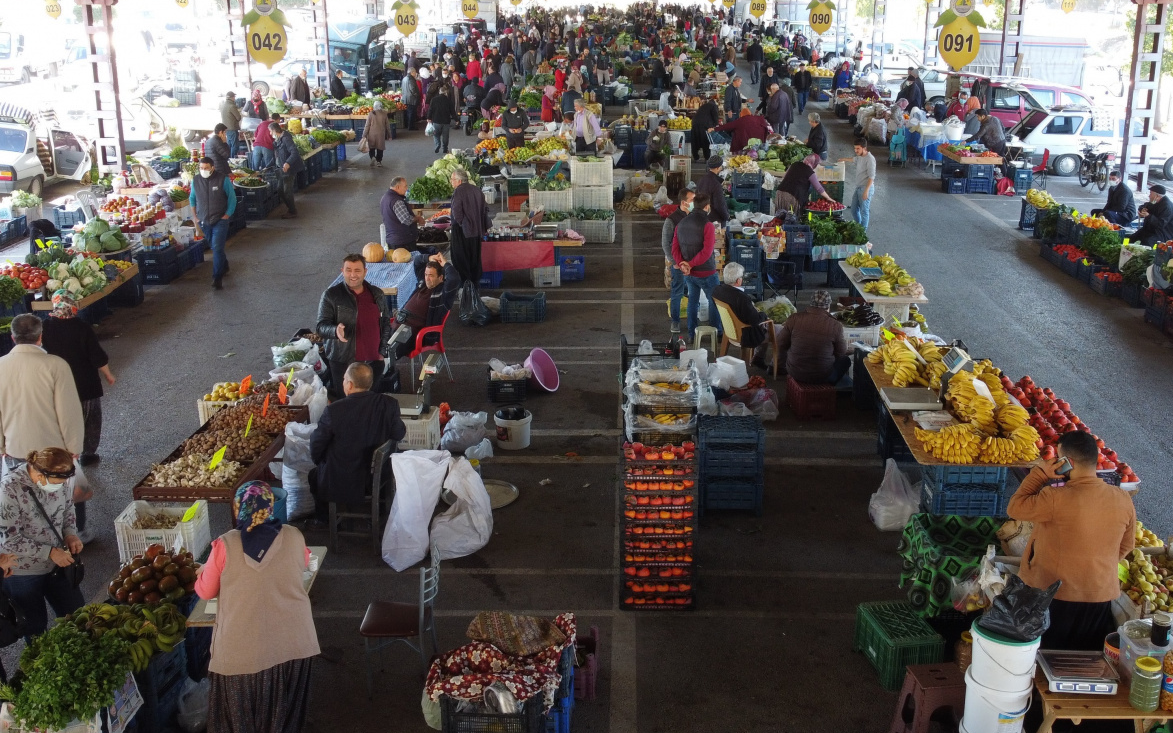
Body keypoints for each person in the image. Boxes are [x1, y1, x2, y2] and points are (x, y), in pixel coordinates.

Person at [196, 481, 319, 733]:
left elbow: (206, 591)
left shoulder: (225, 544)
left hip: (241, 654)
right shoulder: (294, 536)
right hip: (294, 646)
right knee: (284, 720)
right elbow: (305, 561)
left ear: (238, 509)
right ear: (270, 507)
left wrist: (200, 574)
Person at [1007, 430, 1136, 651]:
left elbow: (1014, 507)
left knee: (1050, 658)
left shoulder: (1055, 497)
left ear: (1068, 462)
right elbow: (1127, 546)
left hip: (1055, 595)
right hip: (1100, 595)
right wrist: (1097, 565)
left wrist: (1041, 473)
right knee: (1085, 661)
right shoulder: (1123, 499)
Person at [0, 447, 81, 638]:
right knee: (35, 628)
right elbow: (9, 538)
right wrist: (50, 552)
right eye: (56, 483)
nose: (60, 487)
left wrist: (70, 534)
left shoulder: (63, 479)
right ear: (39, 474)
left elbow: (69, 507)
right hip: (23, 571)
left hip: (58, 565)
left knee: (76, 616)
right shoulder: (9, 489)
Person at [308, 363, 406, 521]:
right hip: (380, 475)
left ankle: (324, 520)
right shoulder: (389, 404)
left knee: (314, 476)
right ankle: (379, 511)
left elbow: (316, 445)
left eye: (344, 379)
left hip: (344, 478)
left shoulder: (334, 411)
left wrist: (319, 461)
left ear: (350, 384)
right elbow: (399, 433)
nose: (343, 382)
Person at [41, 290, 115, 472]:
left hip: (58, 386)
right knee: (90, 419)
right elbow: (97, 356)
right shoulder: (82, 327)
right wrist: (108, 374)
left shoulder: (45, 327)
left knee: (64, 420)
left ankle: (65, 452)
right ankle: (88, 453)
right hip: (85, 385)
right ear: (74, 307)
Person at [316, 255, 393, 399]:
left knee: (370, 401)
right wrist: (335, 330)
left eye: (357, 270)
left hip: (373, 361)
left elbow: (385, 323)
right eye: (348, 270)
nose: (353, 275)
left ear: (365, 271)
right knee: (345, 402)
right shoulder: (331, 295)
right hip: (343, 362)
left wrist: (381, 352)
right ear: (342, 271)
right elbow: (321, 326)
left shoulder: (377, 294)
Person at [389, 255, 460, 360]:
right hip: (398, 324)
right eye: (426, 274)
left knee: (388, 352)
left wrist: (445, 263)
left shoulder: (443, 293)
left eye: (431, 275)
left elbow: (454, 278)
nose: (427, 278)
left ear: (441, 278)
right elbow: (417, 262)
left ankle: (384, 373)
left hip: (411, 332)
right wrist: (429, 258)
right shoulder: (423, 283)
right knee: (372, 344)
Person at [672, 193, 721, 341]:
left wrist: (683, 264)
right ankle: (716, 332)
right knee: (714, 301)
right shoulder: (708, 225)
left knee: (692, 301)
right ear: (707, 207)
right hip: (706, 272)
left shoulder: (681, 224)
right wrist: (690, 264)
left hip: (689, 274)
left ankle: (692, 335)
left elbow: (675, 248)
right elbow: (706, 252)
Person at [776, 290, 849, 384]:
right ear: (828, 306)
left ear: (810, 303)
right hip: (822, 376)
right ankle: (831, 388)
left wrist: (781, 365)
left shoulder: (794, 318)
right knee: (846, 360)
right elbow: (841, 353)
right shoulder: (836, 325)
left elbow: (781, 343)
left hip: (794, 372)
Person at [712, 262, 773, 369]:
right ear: (738, 281)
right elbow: (754, 320)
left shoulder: (717, 290)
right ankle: (761, 359)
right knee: (773, 328)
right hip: (745, 334)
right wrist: (763, 315)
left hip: (729, 328)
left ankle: (757, 358)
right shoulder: (742, 298)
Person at [190, 156, 237, 290]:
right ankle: (224, 264)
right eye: (201, 168)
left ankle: (217, 277)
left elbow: (232, 198)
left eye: (206, 168)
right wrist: (195, 217)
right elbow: (192, 199)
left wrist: (227, 215)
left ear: (212, 168)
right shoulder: (196, 180)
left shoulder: (223, 179)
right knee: (216, 247)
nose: (203, 170)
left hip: (220, 220)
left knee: (216, 247)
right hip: (204, 221)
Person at [449, 168, 491, 285]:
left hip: (462, 231)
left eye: (452, 179)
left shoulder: (458, 191)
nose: (451, 182)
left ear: (459, 181)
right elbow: (485, 209)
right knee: (474, 259)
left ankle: (465, 288)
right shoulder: (477, 190)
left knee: (461, 259)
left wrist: (463, 224)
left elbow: (456, 212)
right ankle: (474, 286)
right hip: (476, 231)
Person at [662, 189, 695, 334]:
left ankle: (692, 322)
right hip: (679, 264)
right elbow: (665, 243)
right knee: (677, 292)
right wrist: (675, 261)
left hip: (693, 264)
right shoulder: (672, 220)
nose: (695, 202)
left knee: (693, 293)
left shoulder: (694, 216)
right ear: (684, 202)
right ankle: (675, 322)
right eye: (692, 200)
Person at [381, 176, 426, 251]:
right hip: (402, 242)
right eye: (405, 186)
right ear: (398, 187)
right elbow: (406, 219)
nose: (406, 189)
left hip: (393, 240)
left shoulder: (385, 197)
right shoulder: (397, 201)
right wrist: (418, 218)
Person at [840, 138, 876, 230]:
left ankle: (862, 232)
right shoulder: (860, 156)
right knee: (853, 209)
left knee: (864, 211)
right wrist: (843, 159)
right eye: (855, 148)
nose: (855, 151)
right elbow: (853, 159)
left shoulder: (870, 159)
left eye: (858, 149)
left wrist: (866, 191)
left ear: (864, 148)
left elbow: (871, 177)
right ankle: (858, 226)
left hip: (865, 188)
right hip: (859, 187)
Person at [271, 123, 304, 219]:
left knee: (287, 191)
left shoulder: (286, 139)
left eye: (270, 131)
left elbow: (294, 152)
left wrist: (288, 163)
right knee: (280, 190)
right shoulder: (278, 140)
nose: (270, 134)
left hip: (289, 169)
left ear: (274, 131)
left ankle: (293, 211)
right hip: (281, 169)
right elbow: (277, 155)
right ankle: (290, 209)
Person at [695, 156, 729, 225]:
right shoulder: (716, 184)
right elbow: (719, 205)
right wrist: (726, 216)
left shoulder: (701, 180)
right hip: (714, 220)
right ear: (718, 167)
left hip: (701, 217)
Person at [361, 101, 393, 168]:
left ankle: (372, 157)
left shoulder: (371, 114)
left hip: (371, 134)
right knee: (380, 148)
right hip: (381, 134)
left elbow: (367, 126)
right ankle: (379, 161)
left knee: (371, 147)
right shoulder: (384, 114)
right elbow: (387, 126)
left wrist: (364, 135)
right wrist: (389, 135)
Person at [692, 96, 720, 163]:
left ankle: (696, 157)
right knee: (705, 141)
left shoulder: (704, 105)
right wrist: (716, 125)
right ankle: (707, 158)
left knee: (695, 140)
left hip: (695, 123)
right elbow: (715, 116)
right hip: (705, 125)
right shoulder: (713, 106)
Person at [219, 92, 242, 156]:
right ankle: (232, 159)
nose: (234, 98)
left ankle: (228, 159)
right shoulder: (232, 106)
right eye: (234, 97)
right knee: (235, 146)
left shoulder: (223, 105)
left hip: (226, 128)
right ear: (232, 97)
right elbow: (238, 117)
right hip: (233, 128)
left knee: (229, 145)